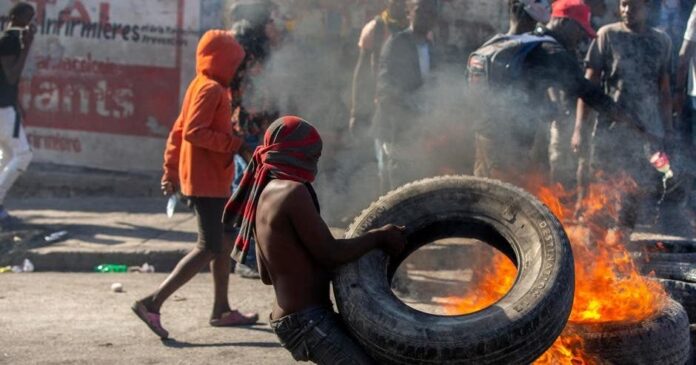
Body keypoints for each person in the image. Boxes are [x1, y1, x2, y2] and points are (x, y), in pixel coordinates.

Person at [222, 116, 406, 364]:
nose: (315, 161)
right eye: (312, 155)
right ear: (295, 153)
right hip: (307, 320)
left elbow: (267, 275)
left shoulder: (264, 192)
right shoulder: (292, 191)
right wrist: (379, 236)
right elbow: (331, 253)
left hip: (294, 317)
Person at [132, 30, 258, 340]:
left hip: (205, 178)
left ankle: (221, 310)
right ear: (221, 61)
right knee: (210, 247)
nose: (236, 69)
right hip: (207, 181)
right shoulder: (212, 90)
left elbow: (177, 131)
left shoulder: (199, 84)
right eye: (233, 63)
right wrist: (235, 144)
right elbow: (193, 132)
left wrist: (170, 172)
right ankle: (151, 302)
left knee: (226, 238)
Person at [471, 0, 647, 184]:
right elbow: (588, 92)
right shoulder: (552, 51)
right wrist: (629, 120)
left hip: (487, 130)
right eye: (580, 30)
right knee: (500, 197)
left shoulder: (530, 40)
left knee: (484, 192)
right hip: (509, 140)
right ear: (564, 22)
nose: (581, 38)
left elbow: (528, 85)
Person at [573, 0, 675, 236]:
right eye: (624, 4)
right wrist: (579, 127)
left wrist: (667, 128)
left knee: (634, 187)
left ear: (647, 8)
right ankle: (594, 243)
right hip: (611, 126)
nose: (627, 10)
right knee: (604, 182)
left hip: (645, 129)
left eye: (634, 5)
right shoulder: (607, 35)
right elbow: (589, 84)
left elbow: (665, 89)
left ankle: (620, 242)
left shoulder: (661, 41)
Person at [372, 0, 439, 192]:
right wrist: (407, 112)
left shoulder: (431, 47)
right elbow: (385, 88)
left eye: (430, 12)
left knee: (415, 182)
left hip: (418, 128)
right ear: (409, 13)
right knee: (395, 184)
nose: (425, 16)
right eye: (420, 11)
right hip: (395, 128)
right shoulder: (397, 43)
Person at [349, 0, 408, 137]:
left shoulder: (417, 30)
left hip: (408, 104)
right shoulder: (375, 29)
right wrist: (356, 112)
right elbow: (361, 73)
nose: (399, 4)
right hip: (382, 103)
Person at [0, 2, 35, 226]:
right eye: (27, 18)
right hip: (2, 109)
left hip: (6, 105)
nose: (29, 23)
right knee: (23, 154)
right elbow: (12, 75)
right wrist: (27, 46)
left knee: (8, 156)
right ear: (15, 17)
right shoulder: (9, 41)